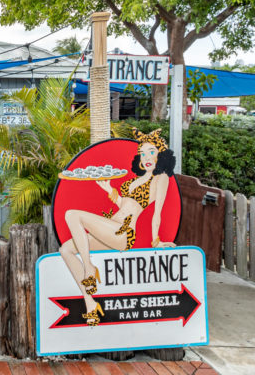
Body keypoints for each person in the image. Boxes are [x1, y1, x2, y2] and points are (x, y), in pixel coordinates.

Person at [59, 128, 177, 326]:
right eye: (143, 153)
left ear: (160, 154)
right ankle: (90, 304)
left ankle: (89, 268)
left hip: (124, 232)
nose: (146, 157)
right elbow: (125, 205)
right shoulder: (135, 180)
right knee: (66, 249)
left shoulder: (161, 178)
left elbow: (157, 213)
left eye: (151, 152)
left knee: (72, 214)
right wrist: (108, 190)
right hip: (112, 225)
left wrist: (157, 241)